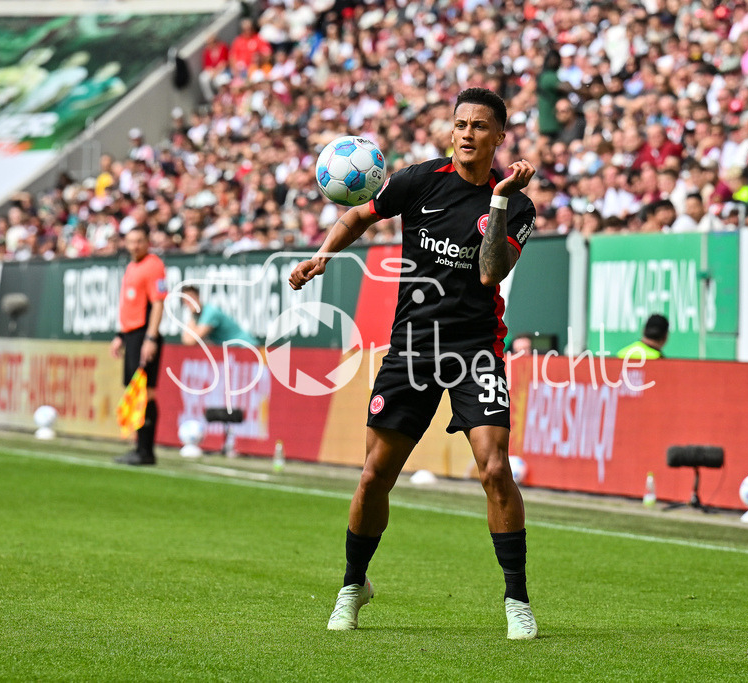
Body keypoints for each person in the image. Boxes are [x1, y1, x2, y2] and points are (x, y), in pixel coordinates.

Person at [289, 88, 539, 640]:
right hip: (412, 347)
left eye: (480, 125)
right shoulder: (419, 180)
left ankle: (516, 599)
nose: (467, 133)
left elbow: (490, 273)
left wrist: (497, 201)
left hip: (476, 350)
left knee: (495, 469)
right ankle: (354, 584)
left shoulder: (517, 204)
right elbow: (358, 215)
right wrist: (323, 255)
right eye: (460, 124)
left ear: (500, 136)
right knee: (376, 474)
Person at [110, 226, 166, 466]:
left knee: (145, 393)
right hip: (131, 334)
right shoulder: (132, 266)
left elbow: (158, 304)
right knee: (134, 392)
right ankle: (139, 448)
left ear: (147, 242)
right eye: (131, 241)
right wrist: (121, 335)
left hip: (144, 335)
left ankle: (146, 450)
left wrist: (150, 338)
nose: (134, 246)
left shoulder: (154, 266)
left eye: (139, 241)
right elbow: (131, 305)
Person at [179, 284, 259, 346]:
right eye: (186, 300)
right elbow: (186, 340)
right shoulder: (197, 315)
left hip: (246, 348)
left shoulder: (210, 312)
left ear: (198, 296)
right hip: (233, 351)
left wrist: (192, 315)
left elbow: (191, 341)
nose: (189, 302)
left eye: (191, 298)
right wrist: (192, 314)